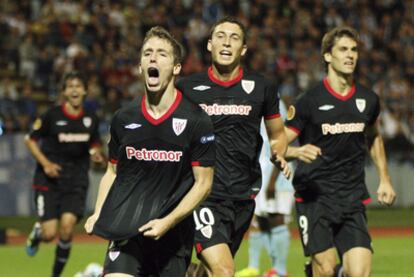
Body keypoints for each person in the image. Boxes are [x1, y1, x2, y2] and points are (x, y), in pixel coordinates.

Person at [84, 26, 215, 277]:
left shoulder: (197, 121)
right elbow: (112, 172)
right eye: (147, 53)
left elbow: (203, 184)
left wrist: (168, 221)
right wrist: (99, 212)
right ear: (140, 66)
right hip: (126, 229)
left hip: (173, 236)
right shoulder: (123, 118)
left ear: (176, 68)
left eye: (162, 54)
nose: (153, 58)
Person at [177, 17, 290, 277]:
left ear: (244, 49)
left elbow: (277, 133)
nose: (227, 42)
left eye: (234, 37)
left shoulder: (262, 87)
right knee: (225, 270)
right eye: (220, 36)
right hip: (203, 194)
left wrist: (278, 152)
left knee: (209, 270)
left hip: (242, 195)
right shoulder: (187, 88)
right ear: (209, 45)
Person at [284, 26, 397, 277]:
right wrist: (295, 153)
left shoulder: (368, 100)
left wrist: (385, 179)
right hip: (315, 198)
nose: (350, 55)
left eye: (354, 50)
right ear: (327, 56)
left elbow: (374, 136)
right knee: (324, 270)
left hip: (351, 198)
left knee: (359, 273)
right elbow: (279, 144)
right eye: (343, 49)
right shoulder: (309, 101)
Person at [25, 71, 104, 277]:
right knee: (50, 234)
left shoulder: (91, 119)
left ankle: (55, 275)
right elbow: (30, 140)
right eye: (70, 86)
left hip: (76, 180)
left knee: (67, 228)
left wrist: (96, 154)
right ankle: (39, 233)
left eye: (79, 86)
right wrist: (46, 164)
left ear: (85, 90)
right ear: (64, 92)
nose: (75, 90)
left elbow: (95, 145)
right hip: (49, 180)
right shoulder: (51, 116)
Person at [236, 101, 295, 277]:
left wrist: (273, 181)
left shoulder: (275, 104)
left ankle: (280, 270)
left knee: (276, 220)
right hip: (260, 173)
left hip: (276, 178)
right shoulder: (251, 101)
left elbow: (282, 142)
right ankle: (255, 267)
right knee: (258, 221)